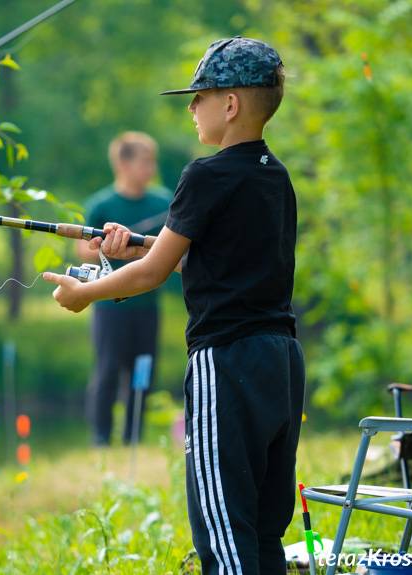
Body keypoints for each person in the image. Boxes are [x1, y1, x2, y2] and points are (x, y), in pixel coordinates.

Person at [44, 37, 304, 574]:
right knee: (262, 530)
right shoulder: (275, 176)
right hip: (280, 361)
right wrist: (136, 244)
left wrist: (84, 293)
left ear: (229, 104)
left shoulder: (204, 174)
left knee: (224, 531)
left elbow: (154, 272)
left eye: (199, 96)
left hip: (225, 362)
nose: (191, 106)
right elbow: (207, 260)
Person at [76, 132, 172, 446]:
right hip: (108, 305)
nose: (151, 168)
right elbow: (83, 252)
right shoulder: (101, 204)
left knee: (143, 373)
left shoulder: (163, 202)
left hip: (147, 304)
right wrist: (112, 246)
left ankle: (133, 438)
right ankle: (100, 438)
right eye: (145, 161)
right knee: (106, 372)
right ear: (122, 163)